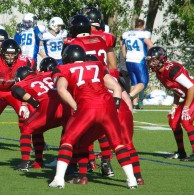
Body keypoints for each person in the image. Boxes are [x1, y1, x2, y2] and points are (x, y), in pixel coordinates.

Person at [49, 44, 137, 189]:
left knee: (68, 140)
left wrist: (74, 106)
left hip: (87, 106)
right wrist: (114, 107)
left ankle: (58, 178)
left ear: (66, 58)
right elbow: (116, 87)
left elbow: (61, 89)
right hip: (107, 106)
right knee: (117, 143)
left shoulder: (63, 69)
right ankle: (131, 179)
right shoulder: (97, 64)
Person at [63, 14, 115, 177]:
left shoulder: (73, 43)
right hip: (104, 85)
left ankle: (77, 163)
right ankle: (106, 163)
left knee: (77, 126)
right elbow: (112, 65)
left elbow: (68, 68)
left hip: (84, 87)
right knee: (101, 128)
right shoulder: (102, 39)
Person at [146, 46, 194, 161]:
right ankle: (181, 152)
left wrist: (185, 108)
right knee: (173, 120)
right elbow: (176, 89)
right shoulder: (159, 73)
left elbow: (191, 87)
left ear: (162, 59)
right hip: (190, 96)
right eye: (149, 60)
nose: (150, 63)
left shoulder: (172, 69)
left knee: (186, 119)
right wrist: (175, 105)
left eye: (153, 60)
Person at [11, 64, 69, 171]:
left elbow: (17, 90)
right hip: (65, 104)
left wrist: (35, 103)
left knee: (26, 128)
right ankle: (88, 163)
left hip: (48, 107)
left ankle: (25, 162)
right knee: (71, 133)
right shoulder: (47, 74)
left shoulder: (22, 83)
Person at [121, 19, 153, 109]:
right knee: (143, 82)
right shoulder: (143, 34)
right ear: (143, 26)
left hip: (129, 60)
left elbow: (123, 49)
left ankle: (134, 104)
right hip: (139, 60)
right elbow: (150, 45)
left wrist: (126, 57)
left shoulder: (127, 34)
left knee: (134, 82)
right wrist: (149, 57)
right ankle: (128, 96)